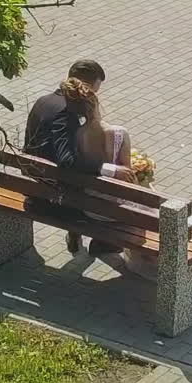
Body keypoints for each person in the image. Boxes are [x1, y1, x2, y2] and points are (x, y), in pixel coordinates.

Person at [24, 58, 134, 253]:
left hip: (33, 183)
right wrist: (108, 169)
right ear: (88, 86)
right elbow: (66, 160)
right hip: (53, 195)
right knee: (114, 196)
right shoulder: (66, 112)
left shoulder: (44, 100)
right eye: (96, 88)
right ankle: (104, 242)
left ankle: (76, 234)